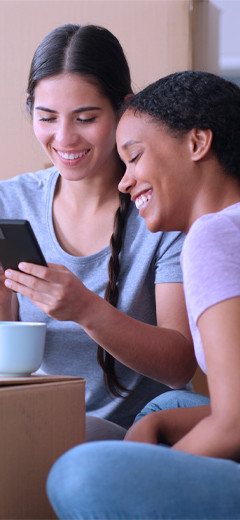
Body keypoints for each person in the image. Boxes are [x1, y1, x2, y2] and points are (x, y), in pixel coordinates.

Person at [46, 70, 240, 519]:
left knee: (79, 474)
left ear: (197, 144)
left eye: (134, 158)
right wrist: (157, 424)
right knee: (166, 407)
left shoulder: (213, 236)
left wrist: (148, 470)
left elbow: (233, 422)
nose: (124, 180)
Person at [0, 25, 195, 440]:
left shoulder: (163, 210)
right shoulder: (10, 203)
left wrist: (87, 310)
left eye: (86, 118)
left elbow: (180, 366)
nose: (65, 138)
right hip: (38, 419)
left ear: (124, 110)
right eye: (47, 117)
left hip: (144, 429)